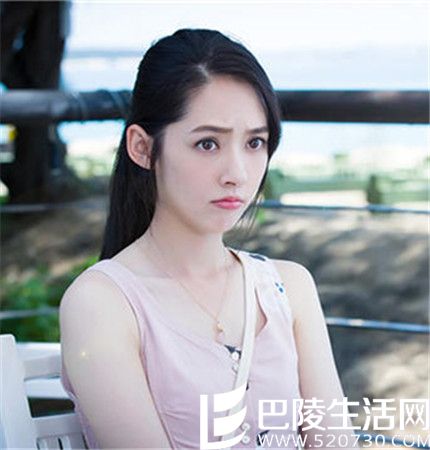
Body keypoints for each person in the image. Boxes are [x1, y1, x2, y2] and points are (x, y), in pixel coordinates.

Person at [59, 29, 360, 450]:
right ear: (142, 148)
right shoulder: (102, 302)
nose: (236, 172)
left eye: (255, 142)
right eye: (207, 143)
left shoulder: (287, 288)